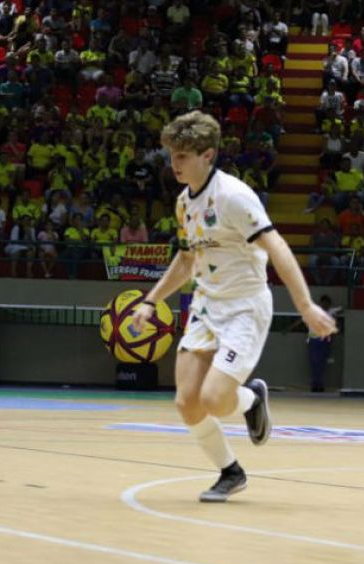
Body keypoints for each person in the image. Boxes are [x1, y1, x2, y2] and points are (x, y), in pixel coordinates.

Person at [129, 111, 336, 502]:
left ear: (208, 155)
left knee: (214, 399)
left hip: (244, 305)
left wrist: (306, 305)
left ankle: (251, 398)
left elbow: (276, 246)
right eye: (172, 155)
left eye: (183, 156)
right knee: (187, 403)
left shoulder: (235, 197)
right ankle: (231, 471)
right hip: (207, 305)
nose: (175, 164)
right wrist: (150, 301)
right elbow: (186, 260)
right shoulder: (182, 203)